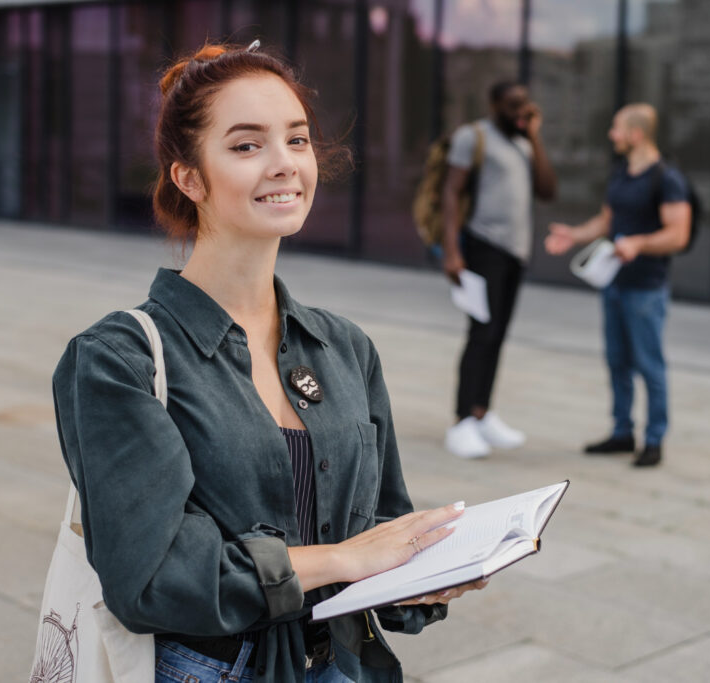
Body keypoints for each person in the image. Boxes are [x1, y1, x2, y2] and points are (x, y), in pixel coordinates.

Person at [52, 43, 485, 683]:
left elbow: (382, 526)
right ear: (189, 178)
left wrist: (419, 571)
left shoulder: (344, 347)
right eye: (247, 145)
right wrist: (343, 559)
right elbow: (150, 579)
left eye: (298, 140)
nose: (284, 164)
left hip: (343, 664)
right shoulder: (119, 360)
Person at [544, 103, 691, 468]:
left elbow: (679, 234)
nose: (611, 135)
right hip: (614, 284)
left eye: (616, 128)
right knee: (617, 362)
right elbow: (607, 221)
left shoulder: (667, 178)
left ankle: (654, 440)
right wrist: (573, 235)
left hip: (646, 288)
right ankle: (622, 432)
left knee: (650, 365)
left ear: (636, 133)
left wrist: (639, 243)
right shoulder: (621, 172)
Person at [441, 80, 557, 459]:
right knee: (481, 332)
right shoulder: (473, 136)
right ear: (494, 104)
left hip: (514, 253)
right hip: (482, 246)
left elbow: (547, 189)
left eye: (524, 105)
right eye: (511, 106)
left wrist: (535, 136)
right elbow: (451, 192)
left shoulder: (524, 142)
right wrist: (452, 250)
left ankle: (482, 412)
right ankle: (462, 422)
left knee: (499, 334)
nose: (519, 112)